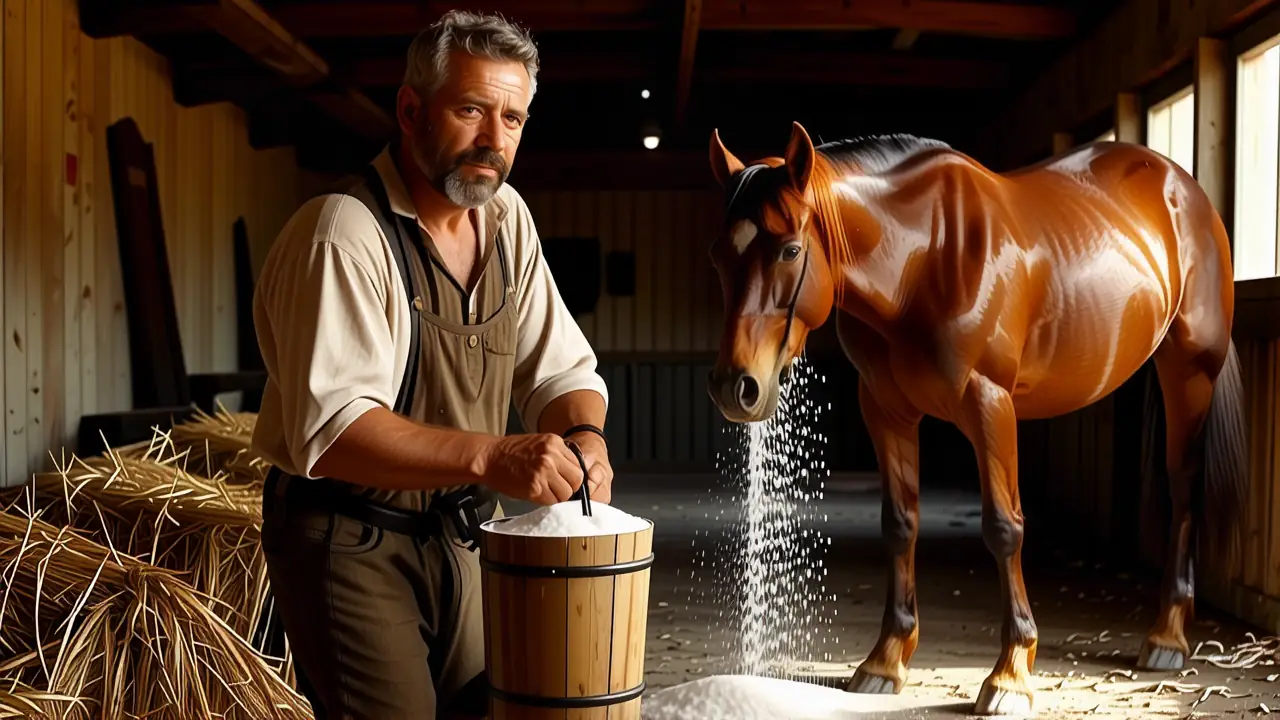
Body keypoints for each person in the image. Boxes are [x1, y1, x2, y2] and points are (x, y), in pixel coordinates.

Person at [249, 9, 613, 719]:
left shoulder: (507, 220)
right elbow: (334, 431)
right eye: (471, 109)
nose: (493, 139)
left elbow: (560, 372)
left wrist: (586, 439)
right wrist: (494, 457)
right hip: (350, 538)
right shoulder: (345, 234)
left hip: (461, 533)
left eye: (512, 119)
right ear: (411, 109)